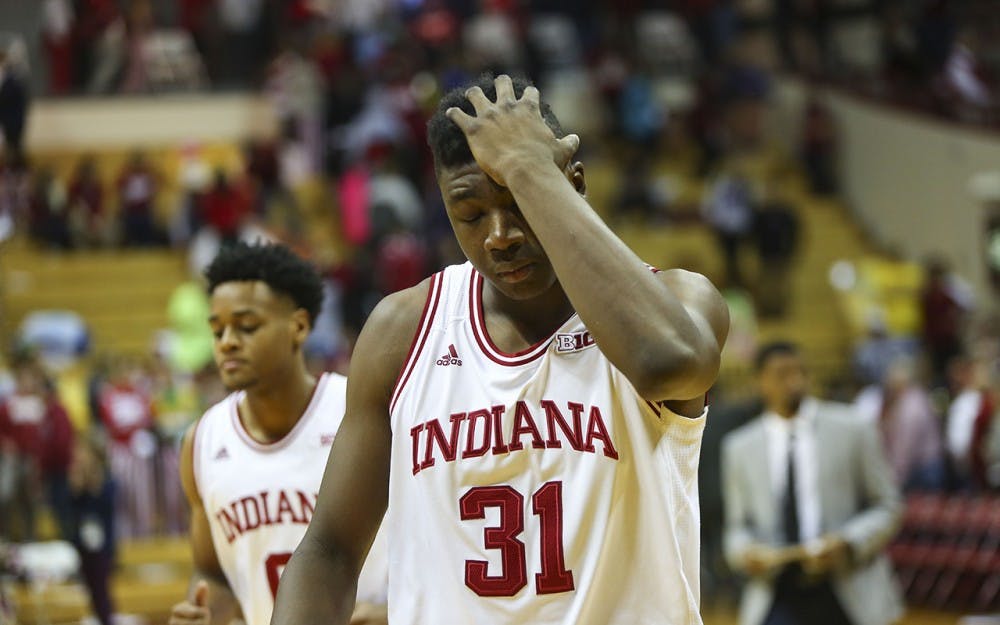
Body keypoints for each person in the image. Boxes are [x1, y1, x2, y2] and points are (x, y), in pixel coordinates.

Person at [271, 74, 729, 625]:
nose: (499, 235)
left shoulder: (677, 300)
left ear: (571, 184)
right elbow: (331, 551)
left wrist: (529, 166)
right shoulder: (404, 331)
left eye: (518, 202)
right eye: (470, 214)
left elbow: (671, 365)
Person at [168, 242, 387, 625]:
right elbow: (213, 572)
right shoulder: (202, 442)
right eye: (217, 330)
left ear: (298, 327)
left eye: (246, 326)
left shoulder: (358, 412)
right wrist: (205, 615)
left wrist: (395, 612)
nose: (227, 342)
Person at [721, 341, 903, 625]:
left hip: (845, 586)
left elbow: (889, 506)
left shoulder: (853, 428)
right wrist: (746, 554)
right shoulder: (739, 447)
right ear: (760, 382)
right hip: (775, 589)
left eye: (800, 372)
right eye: (782, 374)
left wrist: (849, 542)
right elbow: (736, 528)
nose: (794, 381)